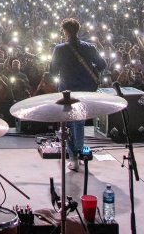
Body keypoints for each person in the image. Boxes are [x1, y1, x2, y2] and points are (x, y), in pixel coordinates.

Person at [49, 18, 107, 171]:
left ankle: (74, 156)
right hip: (87, 89)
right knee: (79, 121)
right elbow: (103, 65)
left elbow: (53, 71)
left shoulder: (60, 49)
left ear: (65, 31)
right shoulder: (90, 48)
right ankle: (79, 153)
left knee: (68, 122)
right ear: (77, 30)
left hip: (68, 90)